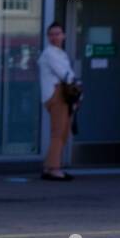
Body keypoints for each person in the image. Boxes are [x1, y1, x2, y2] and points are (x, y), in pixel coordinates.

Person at [38, 21, 78, 181]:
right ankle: (54, 169)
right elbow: (65, 74)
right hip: (56, 94)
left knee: (63, 132)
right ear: (48, 36)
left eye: (57, 33)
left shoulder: (59, 53)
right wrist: (77, 86)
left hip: (61, 94)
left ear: (64, 35)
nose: (55, 37)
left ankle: (50, 166)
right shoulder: (50, 53)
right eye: (51, 34)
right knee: (59, 132)